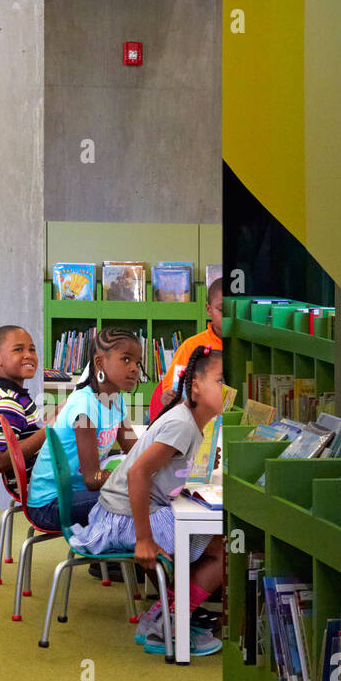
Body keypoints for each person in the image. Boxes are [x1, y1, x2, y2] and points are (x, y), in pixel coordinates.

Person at [70, 344, 224, 657]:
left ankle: (166, 616)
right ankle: (166, 623)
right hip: (122, 520)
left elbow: (161, 471)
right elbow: (137, 474)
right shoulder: (182, 423)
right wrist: (144, 539)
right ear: (195, 386)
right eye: (221, 382)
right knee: (222, 550)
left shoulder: (188, 420)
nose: (228, 390)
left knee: (213, 539)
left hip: (119, 511)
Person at [27, 325, 142, 531]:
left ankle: (109, 561)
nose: (134, 368)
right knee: (138, 497)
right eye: (126, 359)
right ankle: (109, 561)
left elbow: (135, 449)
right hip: (51, 503)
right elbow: (92, 479)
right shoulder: (85, 407)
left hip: (75, 493)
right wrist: (132, 477)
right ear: (99, 362)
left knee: (146, 491)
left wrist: (169, 459)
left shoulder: (116, 400)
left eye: (137, 362)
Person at [0, 326, 47, 496]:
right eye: (19, 349)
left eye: (32, 349)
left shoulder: (14, 395)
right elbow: (0, 460)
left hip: (42, 475)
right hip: (38, 483)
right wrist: (50, 431)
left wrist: (61, 411)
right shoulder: (7, 402)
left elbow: (31, 428)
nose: (29, 355)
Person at [160, 275, 223, 403]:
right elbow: (171, 389)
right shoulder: (191, 346)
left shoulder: (250, 344)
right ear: (208, 310)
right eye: (222, 310)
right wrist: (169, 397)